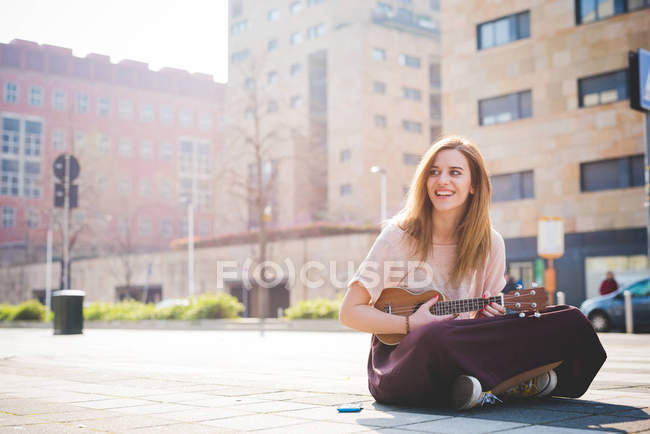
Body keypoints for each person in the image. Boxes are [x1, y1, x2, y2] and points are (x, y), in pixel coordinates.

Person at [339, 136, 606, 410]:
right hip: (402, 360)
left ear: (474, 185)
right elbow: (349, 312)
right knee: (436, 335)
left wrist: (491, 315)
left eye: (455, 172)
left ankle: (476, 386)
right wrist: (409, 325)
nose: (442, 180)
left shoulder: (491, 243)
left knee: (571, 319)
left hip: (461, 343)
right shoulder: (396, 237)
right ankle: (510, 384)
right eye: (434, 172)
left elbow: (482, 326)